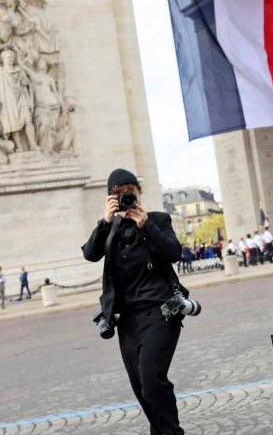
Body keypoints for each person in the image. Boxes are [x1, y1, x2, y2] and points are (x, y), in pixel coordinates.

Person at [81, 168, 185, 434]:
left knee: (152, 380)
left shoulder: (158, 220)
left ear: (139, 193)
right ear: (110, 199)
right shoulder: (111, 228)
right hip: (128, 320)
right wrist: (105, 221)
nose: (126, 198)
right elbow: (90, 254)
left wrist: (146, 225)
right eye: (119, 194)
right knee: (140, 386)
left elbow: (174, 253)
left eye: (131, 192)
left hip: (161, 311)